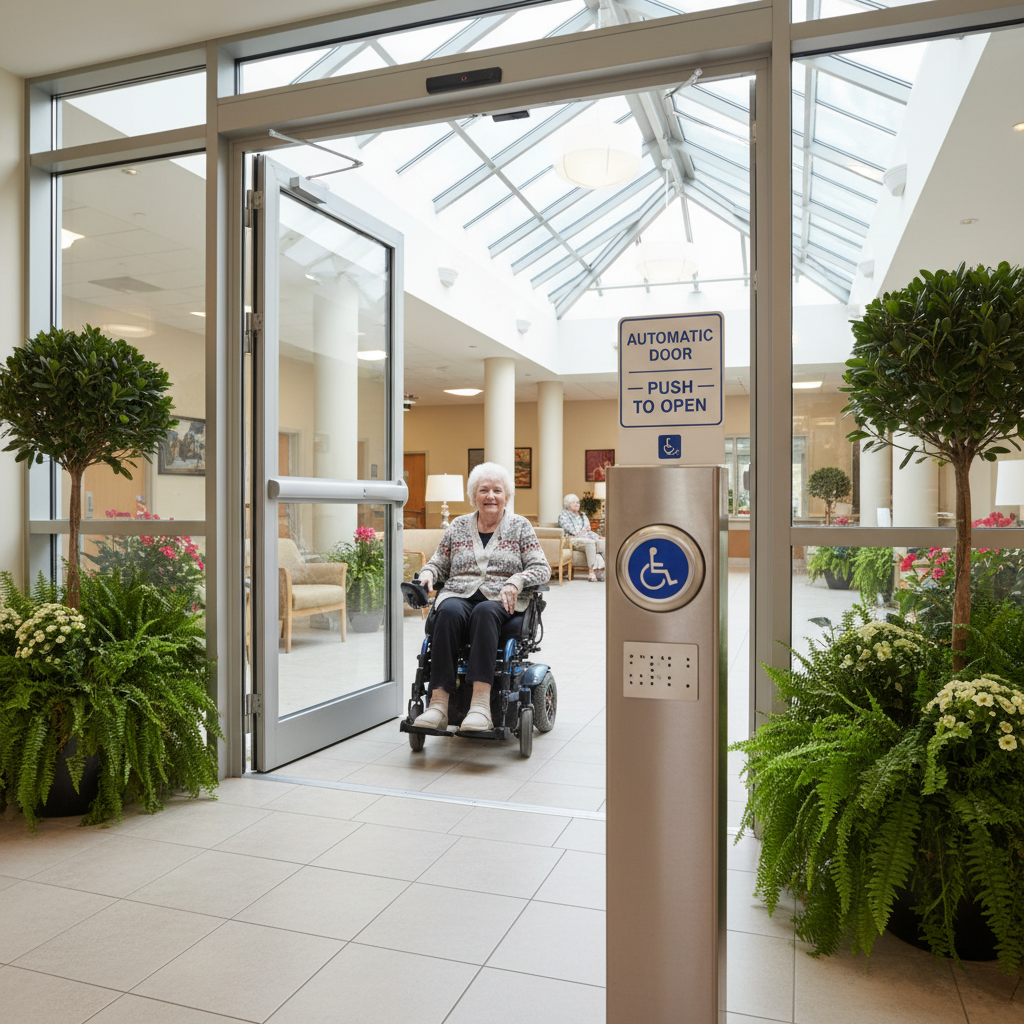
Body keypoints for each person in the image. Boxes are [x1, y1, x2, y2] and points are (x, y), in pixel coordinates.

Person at [413, 461, 551, 732]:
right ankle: (438, 704)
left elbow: (542, 568)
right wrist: (427, 573)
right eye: (483, 490)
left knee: (484, 612)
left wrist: (516, 581)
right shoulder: (458, 526)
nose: (491, 496)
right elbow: (439, 562)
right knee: (448, 611)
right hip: (459, 593)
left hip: (501, 598)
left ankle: (480, 706)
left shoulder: (520, 526)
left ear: (506, 496)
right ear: (473, 496)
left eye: (497, 491)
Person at [558, 493, 605, 582]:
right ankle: (591, 571)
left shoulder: (582, 515)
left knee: (603, 542)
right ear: (567, 505)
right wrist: (583, 531)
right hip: (571, 540)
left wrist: (595, 536)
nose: (577, 504)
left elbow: (588, 530)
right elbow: (573, 531)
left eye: (578, 502)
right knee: (590, 543)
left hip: (585, 537)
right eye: (574, 502)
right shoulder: (563, 516)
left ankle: (609, 570)